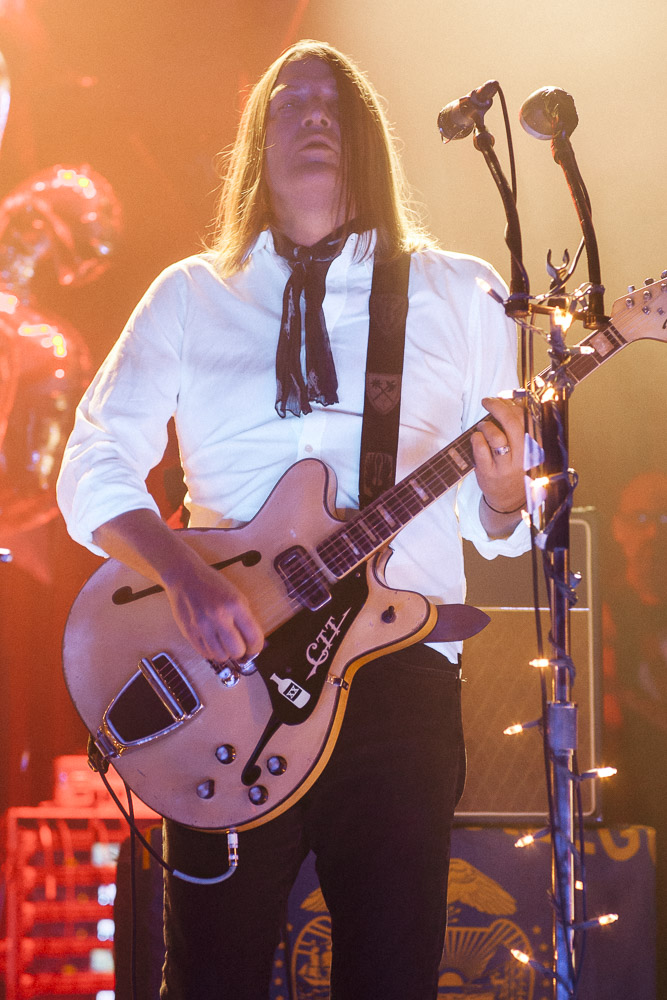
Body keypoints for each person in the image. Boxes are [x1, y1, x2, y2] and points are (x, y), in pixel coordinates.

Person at [57, 39, 530, 1000]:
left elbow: (505, 525)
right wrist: (187, 580)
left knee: (390, 977)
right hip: (221, 676)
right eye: (289, 101)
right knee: (211, 977)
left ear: (366, 137)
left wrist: (510, 487)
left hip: (398, 677)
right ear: (255, 141)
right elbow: (92, 463)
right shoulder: (192, 293)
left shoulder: (462, 290)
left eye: (333, 101)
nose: (313, 113)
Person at [602, 471, 667, 997]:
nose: (653, 533)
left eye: (664, 519)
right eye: (641, 519)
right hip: (627, 808)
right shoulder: (600, 605)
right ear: (619, 529)